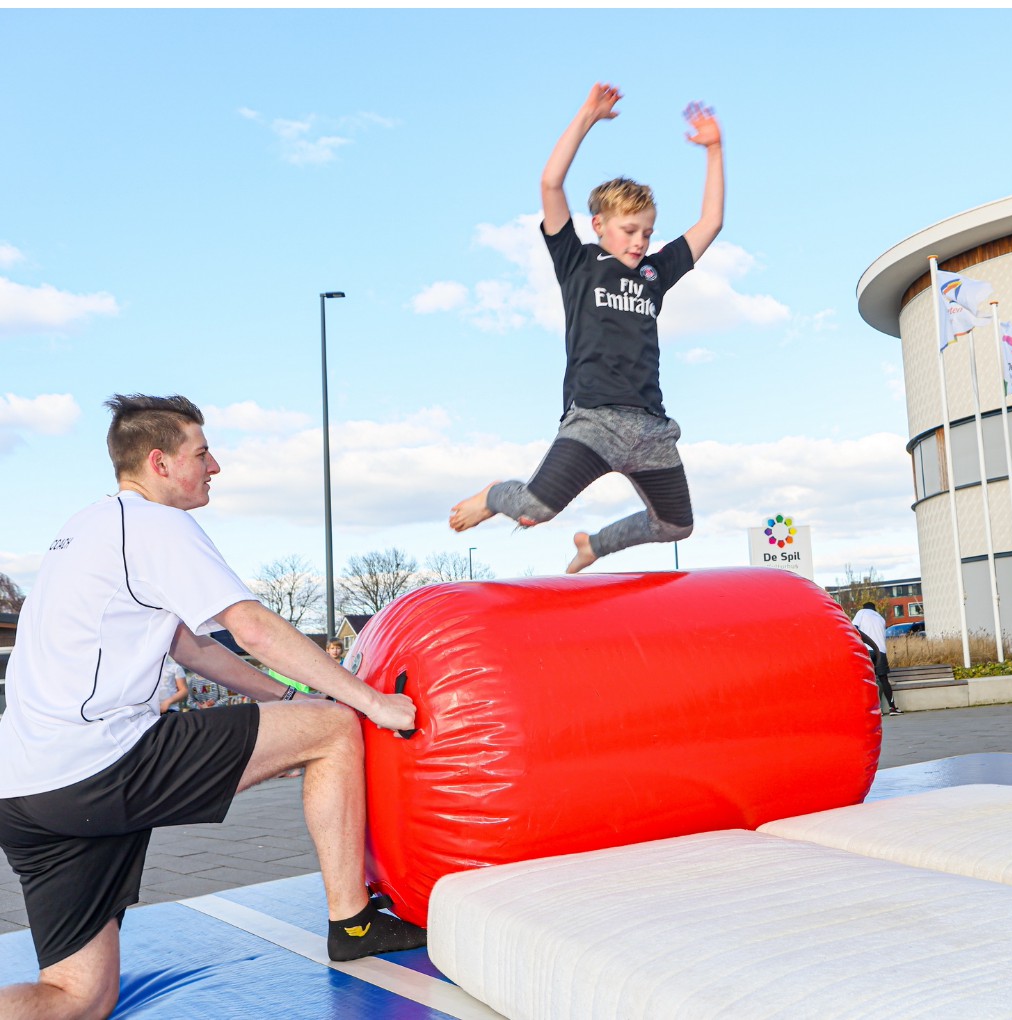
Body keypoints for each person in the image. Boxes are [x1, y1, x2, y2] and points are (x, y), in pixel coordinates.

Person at [0, 394, 426, 1020]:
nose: (215, 466)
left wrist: (289, 698)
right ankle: (354, 924)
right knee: (335, 730)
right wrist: (365, 701)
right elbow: (248, 627)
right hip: (96, 767)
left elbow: (193, 647)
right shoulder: (153, 523)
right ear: (159, 462)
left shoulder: (84, 529)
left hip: (25, 793)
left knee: (78, 999)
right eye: (202, 453)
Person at [449, 82, 724, 574]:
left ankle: (594, 546)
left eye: (647, 232)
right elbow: (551, 185)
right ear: (598, 225)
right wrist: (587, 117)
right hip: (594, 421)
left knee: (677, 527)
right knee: (534, 509)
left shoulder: (654, 275)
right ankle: (494, 495)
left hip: (652, 429)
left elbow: (711, 222)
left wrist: (714, 150)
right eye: (629, 230)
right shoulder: (578, 262)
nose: (640, 241)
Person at [851, 601, 901, 716]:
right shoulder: (881, 618)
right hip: (881, 652)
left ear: (864, 607)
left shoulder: (861, 612)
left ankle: (874, 710)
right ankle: (892, 708)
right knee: (883, 679)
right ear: (874, 609)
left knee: (866, 679)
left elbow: (854, 628)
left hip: (867, 650)